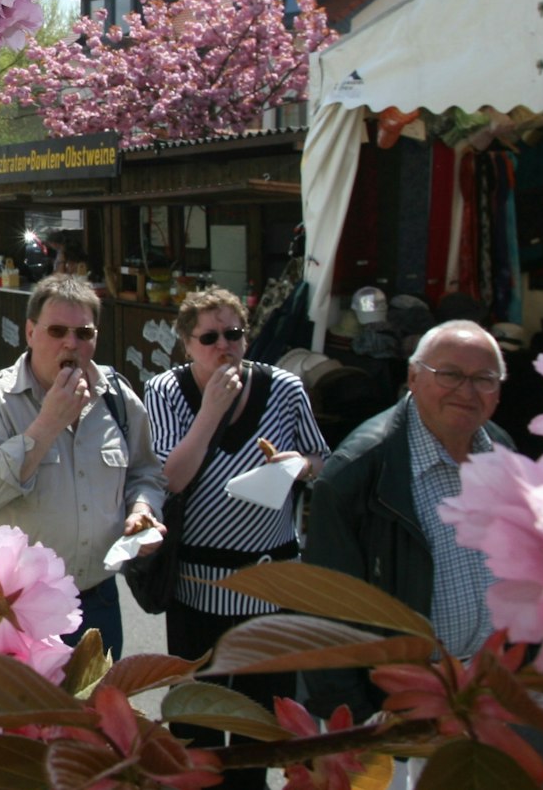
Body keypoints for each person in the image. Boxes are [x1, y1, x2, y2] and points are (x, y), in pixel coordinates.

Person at [144, 288, 327, 789]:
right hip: (197, 585)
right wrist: (210, 412)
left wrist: (295, 466)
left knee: (256, 724)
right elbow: (169, 479)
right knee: (197, 726)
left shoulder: (285, 388)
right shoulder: (165, 391)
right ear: (185, 344)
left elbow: (320, 459)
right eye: (209, 337)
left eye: (234, 334)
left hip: (270, 584)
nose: (224, 346)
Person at [305, 320, 518, 721]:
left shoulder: (502, 452)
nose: (466, 390)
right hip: (393, 702)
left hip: (483, 688)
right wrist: (357, 721)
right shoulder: (358, 473)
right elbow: (325, 615)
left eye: (484, 379)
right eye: (450, 374)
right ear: (413, 377)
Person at [0, 275, 166, 659]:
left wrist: (142, 510)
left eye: (83, 333)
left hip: (96, 600)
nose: (71, 343)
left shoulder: (118, 398)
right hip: (16, 606)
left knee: (91, 715)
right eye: (57, 331)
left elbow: (145, 473)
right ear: (30, 332)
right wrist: (46, 425)